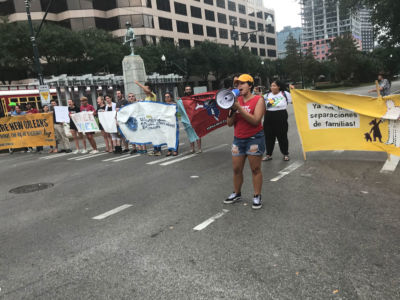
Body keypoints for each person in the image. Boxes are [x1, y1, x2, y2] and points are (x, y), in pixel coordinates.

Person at [225, 74, 265, 210]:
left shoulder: (258, 100)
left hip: (254, 138)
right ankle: (237, 193)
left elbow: (255, 120)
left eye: (242, 83)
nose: (239, 86)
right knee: (236, 169)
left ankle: (257, 195)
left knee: (255, 169)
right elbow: (229, 124)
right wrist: (232, 110)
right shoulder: (235, 101)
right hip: (238, 139)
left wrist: (240, 109)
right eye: (237, 84)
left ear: (250, 85)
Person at [263, 81, 292, 162]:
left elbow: (295, 101)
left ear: (279, 87)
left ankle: (285, 154)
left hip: (281, 116)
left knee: (282, 136)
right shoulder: (267, 95)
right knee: (269, 137)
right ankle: (268, 154)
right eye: (271, 86)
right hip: (269, 116)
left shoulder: (285, 94)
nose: (272, 87)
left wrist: (293, 90)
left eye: (274, 85)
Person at [135, 81, 161, 155]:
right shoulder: (146, 97)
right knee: (152, 135)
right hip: (148, 118)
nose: (144, 89)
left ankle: (158, 150)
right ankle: (155, 149)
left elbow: (148, 91)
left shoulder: (152, 95)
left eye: (145, 87)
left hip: (154, 118)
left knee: (156, 134)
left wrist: (138, 84)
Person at [164, 92, 179, 156]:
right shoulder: (163, 105)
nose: (166, 98)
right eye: (165, 97)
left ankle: (175, 150)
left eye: (168, 97)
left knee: (175, 137)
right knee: (168, 137)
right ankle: (169, 150)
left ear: (171, 97)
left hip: (174, 123)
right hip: (167, 123)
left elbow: (175, 112)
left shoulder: (174, 104)